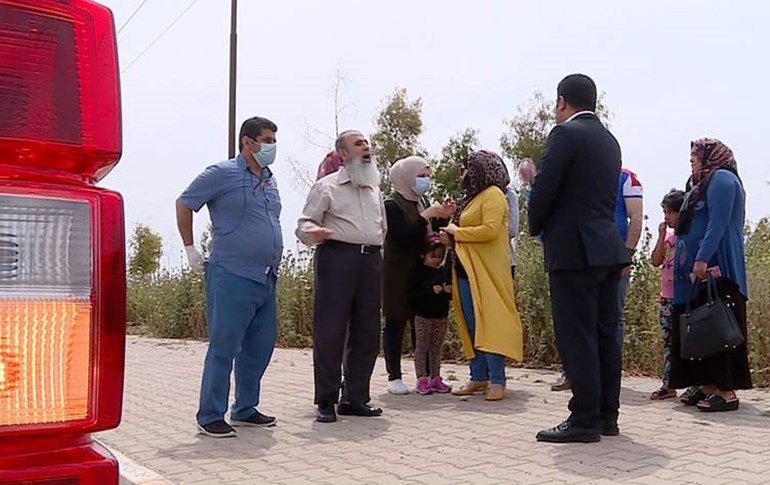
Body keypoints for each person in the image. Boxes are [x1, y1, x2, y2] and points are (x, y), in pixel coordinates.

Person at [528, 74, 630, 443]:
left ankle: (584, 418)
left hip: (573, 249)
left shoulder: (565, 135)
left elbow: (546, 186)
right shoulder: (608, 139)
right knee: (604, 334)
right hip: (606, 247)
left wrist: (534, 223)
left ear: (560, 101)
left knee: (577, 335)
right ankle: (606, 415)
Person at [176, 116, 282, 438]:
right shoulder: (221, 174)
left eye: (275, 140)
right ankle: (210, 414)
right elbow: (184, 203)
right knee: (224, 346)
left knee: (259, 347)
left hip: (266, 278)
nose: (272, 146)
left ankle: (245, 408)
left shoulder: (269, 179)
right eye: (267, 140)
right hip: (231, 274)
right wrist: (191, 248)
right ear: (247, 142)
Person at [296, 129, 387, 423]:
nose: (366, 148)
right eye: (359, 144)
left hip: (371, 261)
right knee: (331, 331)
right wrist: (314, 233)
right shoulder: (327, 186)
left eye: (367, 143)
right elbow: (304, 224)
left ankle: (355, 397)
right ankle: (326, 400)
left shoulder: (375, 189)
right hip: (337, 259)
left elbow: (381, 226)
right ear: (344, 154)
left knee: (367, 331)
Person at [670, 138, 752, 412]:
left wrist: (702, 257)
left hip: (717, 272)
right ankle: (707, 385)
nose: (692, 161)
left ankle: (726, 392)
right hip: (697, 278)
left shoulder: (722, 181)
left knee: (719, 329)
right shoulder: (701, 184)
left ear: (710, 157)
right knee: (701, 328)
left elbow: (717, 224)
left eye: (695, 156)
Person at [550, 166, 643, 392]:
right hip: (581, 259)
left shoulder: (626, 177)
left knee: (613, 317)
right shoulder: (578, 174)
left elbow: (636, 217)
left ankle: (609, 374)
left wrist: (627, 255)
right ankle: (574, 373)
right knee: (576, 318)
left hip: (614, 260)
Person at [443, 150, 524, 402]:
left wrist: (457, 231)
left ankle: (498, 379)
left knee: (490, 323)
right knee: (470, 324)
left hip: (487, 272)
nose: (463, 173)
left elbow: (490, 231)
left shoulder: (494, 195)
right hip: (465, 270)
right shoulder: (470, 198)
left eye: (467, 168)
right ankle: (478, 375)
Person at [382, 156, 452, 395]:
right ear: (406, 176)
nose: (426, 180)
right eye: (420, 176)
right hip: (398, 272)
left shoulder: (422, 201)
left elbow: (428, 234)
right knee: (396, 320)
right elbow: (402, 236)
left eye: (427, 175)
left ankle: (427, 375)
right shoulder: (392, 204)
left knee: (422, 323)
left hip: (422, 272)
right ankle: (394, 375)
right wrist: (426, 216)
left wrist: (443, 216)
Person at [649, 189, 685, 400]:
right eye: (664, 213)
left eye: (670, 213)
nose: (667, 218)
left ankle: (692, 383)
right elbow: (656, 260)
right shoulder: (669, 238)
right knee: (668, 342)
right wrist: (661, 236)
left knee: (687, 342)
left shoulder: (687, 237)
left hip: (683, 298)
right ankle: (668, 383)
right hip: (667, 297)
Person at [408, 234, 453, 395]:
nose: (436, 260)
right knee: (422, 347)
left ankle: (435, 377)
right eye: (432, 256)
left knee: (436, 347)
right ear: (423, 255)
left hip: (440, 315)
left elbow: (449, 292)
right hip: (423, 316)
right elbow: (412, 294)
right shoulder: (417, 273)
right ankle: (422, 378)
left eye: (439, 257)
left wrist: (448, 291)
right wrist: (430, 290)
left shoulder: (441, 272)